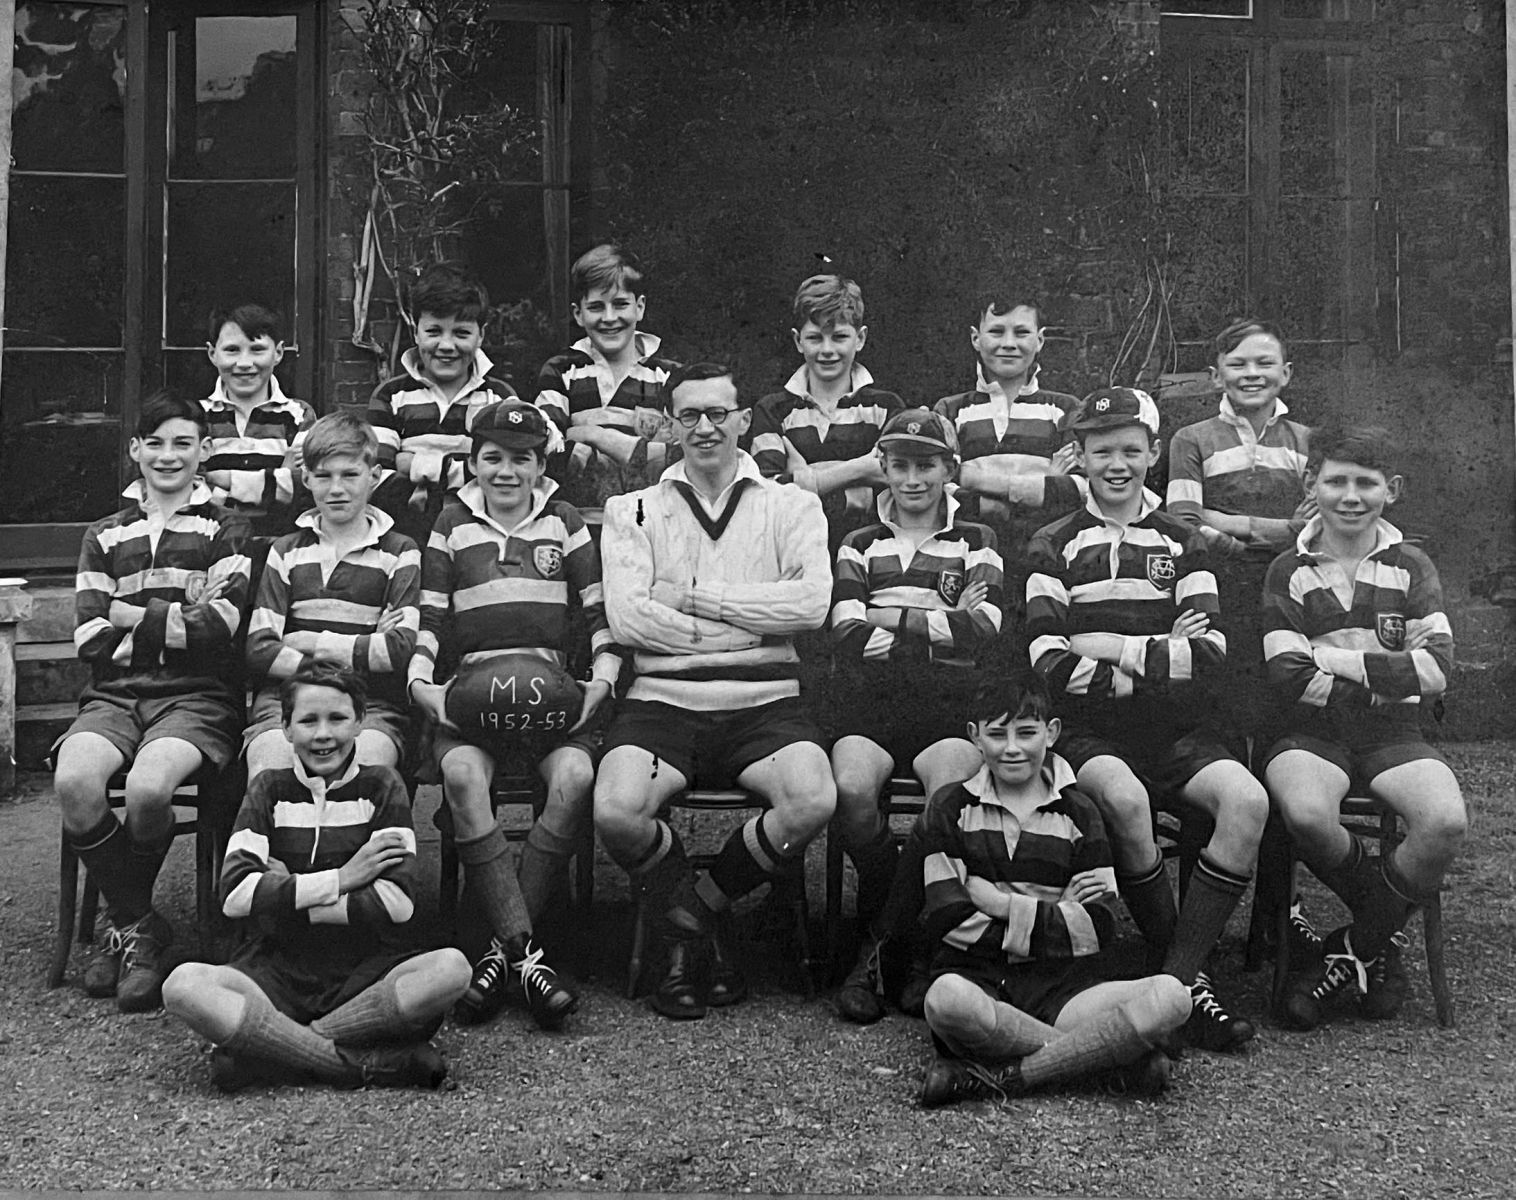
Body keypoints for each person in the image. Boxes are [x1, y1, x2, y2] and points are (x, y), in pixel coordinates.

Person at [1024, 386, 1267, 1052]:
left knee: (1246, 800)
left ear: (1154, 453)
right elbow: (1048, 658)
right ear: (1080, 456)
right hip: (1091, 733)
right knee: (1126, 800)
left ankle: (1181, 978)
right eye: (1102, 451)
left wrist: (1110, 647)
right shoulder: (1054, 543)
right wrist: (1161, 655)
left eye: (1132, 450)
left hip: (1181, 731)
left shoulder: (1184, 542)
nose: (1117, 464)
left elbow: (1211, 655)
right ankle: (1187, 988)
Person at [594, 361, 836, 1020]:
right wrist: (750, 626)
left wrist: (698, 598)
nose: (705, 428)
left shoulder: (792, 504)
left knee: (813, 798)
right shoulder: (633, 509)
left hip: (766, 705)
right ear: (672, 425)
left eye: (718, 414)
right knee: (616, 810)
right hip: (662, 704)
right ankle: (707, 920)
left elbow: (811, 605)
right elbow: (629, 618)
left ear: (743, 420)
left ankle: (691, 914)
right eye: (690, 415)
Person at [162, 664, 470, 1092]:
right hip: (277, 968)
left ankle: (276, 1051)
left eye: (338, 719)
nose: (323, 734)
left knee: (451, 969)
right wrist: (344, 878)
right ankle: (360, 1064)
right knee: (182, 985)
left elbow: (396, 902)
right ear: (285, 728)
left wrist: (287, 893)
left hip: (366, 968)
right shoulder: (268, 789)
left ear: (360, 721)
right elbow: (234, 895)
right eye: (308, 720)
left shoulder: (382, 787)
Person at [407, 399, 613, 1030]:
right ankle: (528, 956)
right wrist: (422, 684)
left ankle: (501, 951)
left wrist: (600, 681)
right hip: (470, 696)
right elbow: (432, 619)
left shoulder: (565, 520)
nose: (505, 471)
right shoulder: (450, 523)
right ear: (471, 462)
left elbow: (599, 616)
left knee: (576, 779)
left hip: (549, 696)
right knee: (465, 776)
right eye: (491, 458)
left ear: (540, 463)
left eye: (520, 459)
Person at [51, 390, 252, 1012]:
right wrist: (168, 624)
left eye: (183, 443)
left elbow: (219, 627)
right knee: (76, 781)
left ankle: (125, 928)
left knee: (147, 789)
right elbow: (88, 637)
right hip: (112, 697)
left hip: (195, 699)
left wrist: (127, 614)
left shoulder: (226, 529)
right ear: (136, 450)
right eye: (156, 443)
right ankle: (141, 924)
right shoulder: (105, 535)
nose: (169, 456)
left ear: (205, 450)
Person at [1260, 424, 1465, 1029]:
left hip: (1392, 730)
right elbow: (1288, 676)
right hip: (1308, 728)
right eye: (1337, 481)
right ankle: (1381, 934)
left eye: (1366, 484)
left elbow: (1437, 669)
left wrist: (1331, 658)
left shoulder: (1411, 565)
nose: (1351, 497)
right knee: (1305, 813)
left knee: (1445, 820)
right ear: (1311, 484)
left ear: (1391, 490)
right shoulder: (1287, 569)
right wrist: (1384, 672)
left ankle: (1352, 950)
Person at [916, 672, 1191, 1107]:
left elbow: (1098, 928)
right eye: (996, 734)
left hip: (1065, 989)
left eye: (1027, 733)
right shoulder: (951, 808)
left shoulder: (1080, 811)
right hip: (982, 981)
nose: (1012, 748)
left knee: (1173, 997)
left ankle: (1005, 1077)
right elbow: (949, 921)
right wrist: (1057, 911)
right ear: (974, 737)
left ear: (1052, 733)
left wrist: (1002, 904)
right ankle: (1109, 1060)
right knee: (945, 1000)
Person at [827, 408, 1002, 1024]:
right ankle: (895, 913)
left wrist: (885, 618)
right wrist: (936, 628)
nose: (913, 479)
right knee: (849, 788)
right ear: (883, 468)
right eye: (899, 465)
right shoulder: (858, 542)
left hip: (945, 704)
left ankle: (885, 946)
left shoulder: (976, 540)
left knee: (947, 797)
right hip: (870, 702)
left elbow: (983, 630)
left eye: (926, 465)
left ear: (950, 470)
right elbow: (845, 628)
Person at [1166, 316, 1319, 956]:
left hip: (1287, 602)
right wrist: (1273, 527)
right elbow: (1182, 520)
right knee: (1221, 745)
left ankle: (1278, 913)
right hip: (1217, 598)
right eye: (1237, 365)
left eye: (1264, 364)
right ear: (1216, 375)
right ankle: (1197, 917)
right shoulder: (1191, 438)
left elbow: (1314, 530)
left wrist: (1235, 524)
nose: (1251, 375)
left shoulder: (1308, 440)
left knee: (1280, 747)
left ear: (1285, 373)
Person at [244, 411, 419, 779]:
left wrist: (307, 640)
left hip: (369, 704)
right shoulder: (286, 551)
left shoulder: (400, 552)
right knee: (272, 765)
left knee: (367, 766)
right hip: (287, 701)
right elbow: (260, 647)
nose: (336, 488)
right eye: (323, 476)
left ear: (374, 477)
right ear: (306, 478)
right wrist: (362, 644)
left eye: (350, 475)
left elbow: (398, 650)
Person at [747, 274, 904, 543]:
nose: (827, 349)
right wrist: (860, 469)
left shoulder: (887, 407)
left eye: (840, 337)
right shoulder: (773, 410)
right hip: (795, 546)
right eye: (815, 338)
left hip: (872, 552)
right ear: (798, 341)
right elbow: (767, 493)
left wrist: (807, 479)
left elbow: (899, 484)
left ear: (860, 338)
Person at [368, 265, 519, 545]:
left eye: (461, 333)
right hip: (405, 537)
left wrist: (417, 465)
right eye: (434, 331)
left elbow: (505, 476)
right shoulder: (391, 396)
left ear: (481, 335)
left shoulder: (498, 399)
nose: (446, 345)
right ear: (416, 332)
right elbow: (375, 477)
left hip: (480, 537)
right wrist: (464, 470)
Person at [536, 243, 683, 507]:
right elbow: (546, 445)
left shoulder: (668, 376)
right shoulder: (562, 371)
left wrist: (593, 435)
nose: (609, 317)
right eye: (595, 307)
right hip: (578, 521)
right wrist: (645, 452)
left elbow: (681, 456)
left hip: (652, 517)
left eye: (620, 304)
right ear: (578, 314)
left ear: (639, 307)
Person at [200, 303, 317, 542]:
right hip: (213, 550)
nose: (244, 363)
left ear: (278, 353)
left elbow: (306, 488)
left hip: (280, 549)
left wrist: (223, 479)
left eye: (257, 349)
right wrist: (279, 478)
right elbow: (193, 490)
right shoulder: (196, 417)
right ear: (213, 353)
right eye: (232, 350)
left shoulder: (299, 416)